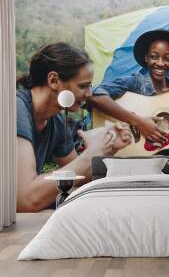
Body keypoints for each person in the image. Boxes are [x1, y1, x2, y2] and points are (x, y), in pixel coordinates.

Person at [17, 42, 131, 212]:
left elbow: (78, 177)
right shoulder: (16, 108)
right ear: (54, 80)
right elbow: (27, 199)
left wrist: (108, 147)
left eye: (90, 87)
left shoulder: (56, 121)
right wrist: (91, 153)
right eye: (83, 86)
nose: (89, 94)